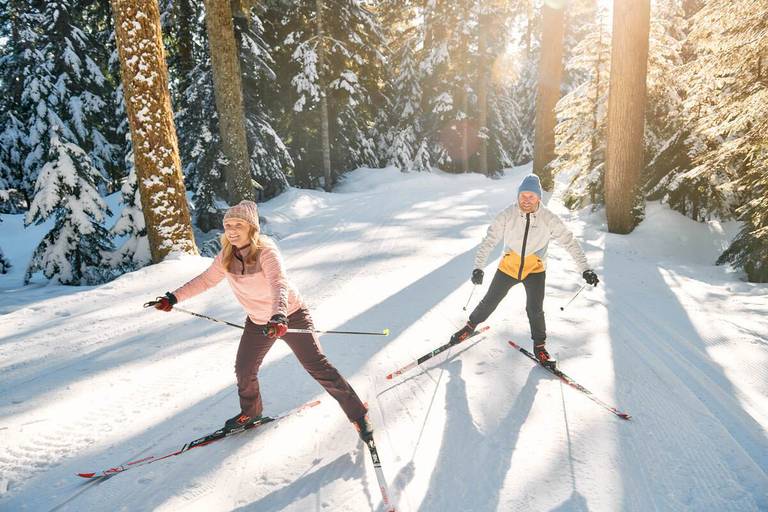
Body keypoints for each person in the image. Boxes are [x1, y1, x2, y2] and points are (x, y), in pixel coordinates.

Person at [152, 200, 373, 441]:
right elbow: (205, 280)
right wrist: (173, 297)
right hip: (259, 322)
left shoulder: (266, 251)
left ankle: (358, 414)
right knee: (244, 370)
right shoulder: (226, 255)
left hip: (289, 316)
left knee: (318, 366)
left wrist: (279, 315)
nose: (232, 230)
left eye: (238, 224)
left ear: (252, 228)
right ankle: (251, 413)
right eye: (228, 225)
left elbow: (278, 283)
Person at [450, 174, 599, 368]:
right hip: (508, 268)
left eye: (531, 196)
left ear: (538, 198)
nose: (526, 200)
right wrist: (479, 267)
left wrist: (585, 269)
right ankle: (469, 327)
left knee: (535, 310)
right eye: (523, 196)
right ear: (518, 196)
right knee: (489, 301)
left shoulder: (548, 218)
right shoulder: (508, 214)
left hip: (535, 270)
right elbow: (489, 240)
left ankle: (540, 347)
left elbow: (569, 242)